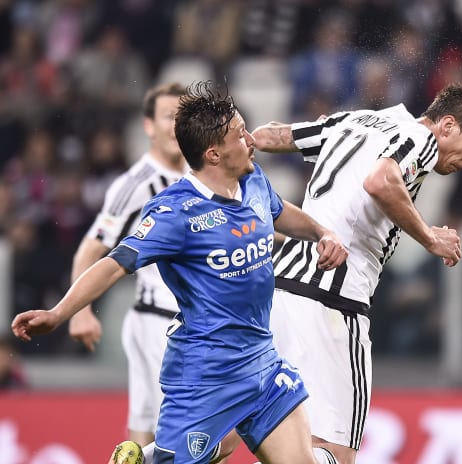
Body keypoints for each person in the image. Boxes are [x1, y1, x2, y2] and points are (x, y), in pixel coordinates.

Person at [11, 81, 348, 464]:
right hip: (204, 375)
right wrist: (60, 313)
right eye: (240, 134)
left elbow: (280, 211)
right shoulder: (174, 213)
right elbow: (112, 265)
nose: (250, 140)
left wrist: (322, 232)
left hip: (263, 363)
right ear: (214, 154)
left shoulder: (252, 180)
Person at [246, 81, 462, 464]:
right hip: (332, 302)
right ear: (447, 125)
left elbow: (269, 136)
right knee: (335, 452)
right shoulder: (420, 138)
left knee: (287, 446)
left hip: (279, 294)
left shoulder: (359, 119)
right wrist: (430, 237)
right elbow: (381, 180)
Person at [66, 82, 186, 448]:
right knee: (189, 437)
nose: (176, 125)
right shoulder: (136, 183)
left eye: (183, 117)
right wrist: (80, 312)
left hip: (185, 326)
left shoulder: (197, 178)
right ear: (148, 126)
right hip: (157, 322)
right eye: (168, 116)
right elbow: (88, 250)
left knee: (145, 436)